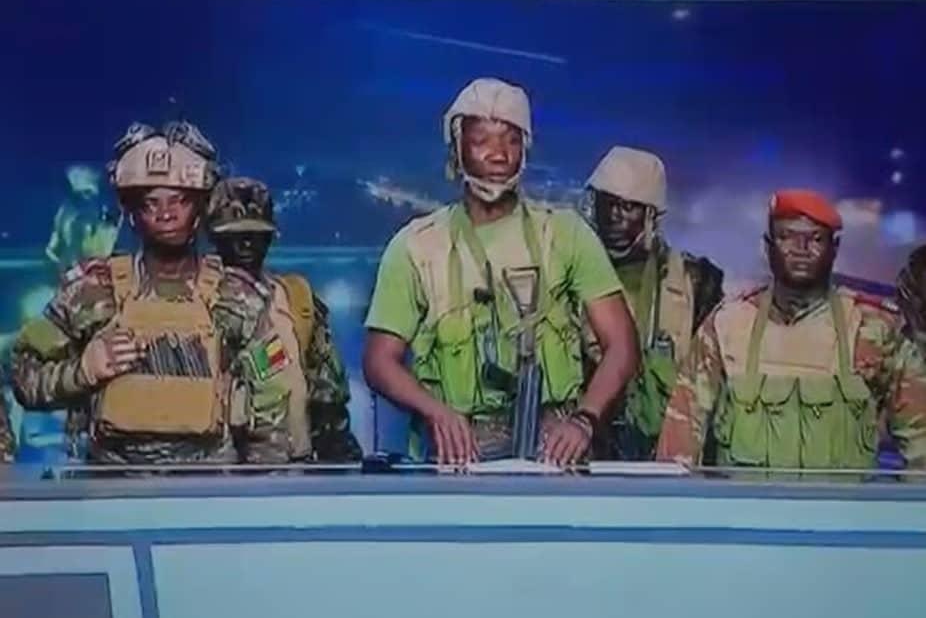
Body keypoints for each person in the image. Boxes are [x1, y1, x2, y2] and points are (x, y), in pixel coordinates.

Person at [363, 77, 639, 465]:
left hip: (554, 448)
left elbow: (622, 345)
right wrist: (436, 412)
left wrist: (584, 419)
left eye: (511, 140)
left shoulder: (565, 234)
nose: (499, 155)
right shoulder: (416, 247)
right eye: (482, 140)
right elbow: (379, 361)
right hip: (457, 451)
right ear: (457, 148)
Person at [11, 121, 289, 464]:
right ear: (132, 214)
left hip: (212, 483)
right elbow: (23, 375)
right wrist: (81, 373)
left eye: (179, 201)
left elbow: (274, 393)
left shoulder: (238, 298)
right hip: (110, 481)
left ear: (200, 208)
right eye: (151, 203)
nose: (166, 214)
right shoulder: (93, 293)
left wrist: (262, 482)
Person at [657, 189, 926, 469]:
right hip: (745, 497)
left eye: (816, 238)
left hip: (843, 498)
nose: (801, 248)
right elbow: (680, 442)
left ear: (834, 248)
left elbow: (921, 443)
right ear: (767, 246)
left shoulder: (876, 329)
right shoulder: (726, 326)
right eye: (787, 236)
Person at [206, 177, 361, 463]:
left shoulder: (295, 297)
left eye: (257, 234)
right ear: (214, 238)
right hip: (224, 469)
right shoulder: (201, 301)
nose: (246, 243)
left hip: (297, 467)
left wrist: (335, 445)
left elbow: (327, 387)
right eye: (234, 235)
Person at [584, 147, 723, 460]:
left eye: (628, 207)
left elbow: (712, 389)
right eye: (608, 204)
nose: (615, 217)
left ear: (651, 215)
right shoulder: (570, 273)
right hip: (587, 451)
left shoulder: (696, 284)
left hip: (667, 455)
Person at [45, 164, 122, 274]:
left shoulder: (117, 220)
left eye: (87, 193)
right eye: (77, 196)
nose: (83, 200)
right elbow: (53, 253)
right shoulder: (65, 216)